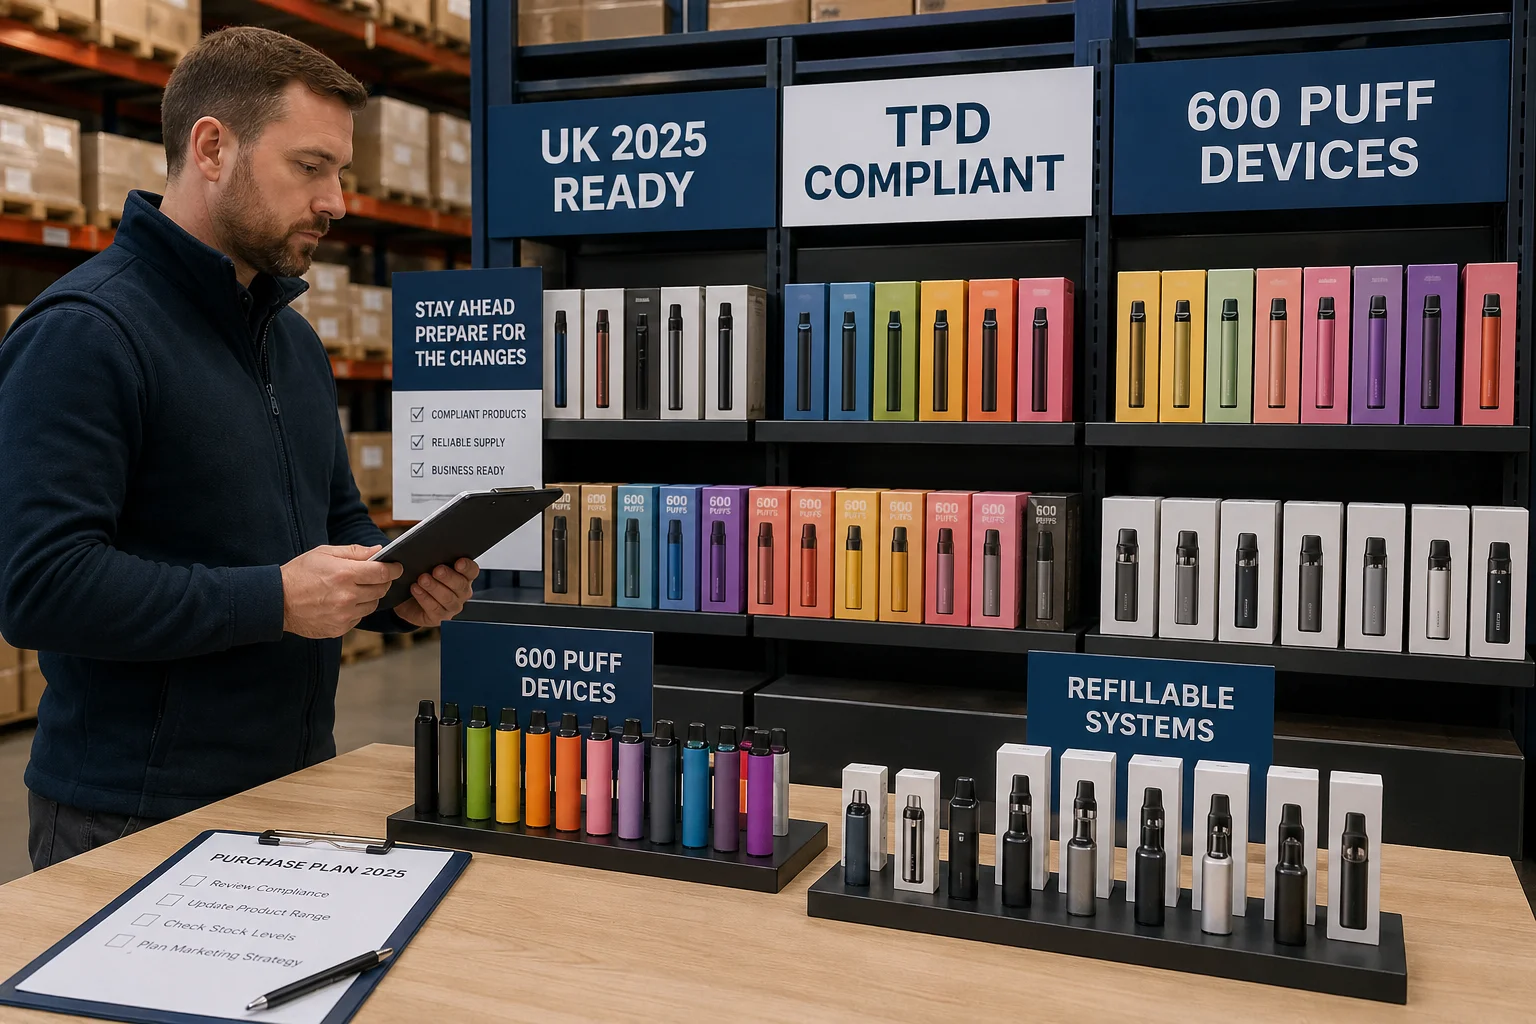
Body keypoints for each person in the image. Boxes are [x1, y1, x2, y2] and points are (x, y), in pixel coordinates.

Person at [0, 26, 478, 870]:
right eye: (310, 167)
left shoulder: (290, 344)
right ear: (213, 148)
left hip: (290, 787)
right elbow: (40, 587)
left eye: (341, 173)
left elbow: (336, 520)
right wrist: (275, 601)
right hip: (129, 815)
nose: (336, 201)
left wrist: (399, 581)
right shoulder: (86, 333)